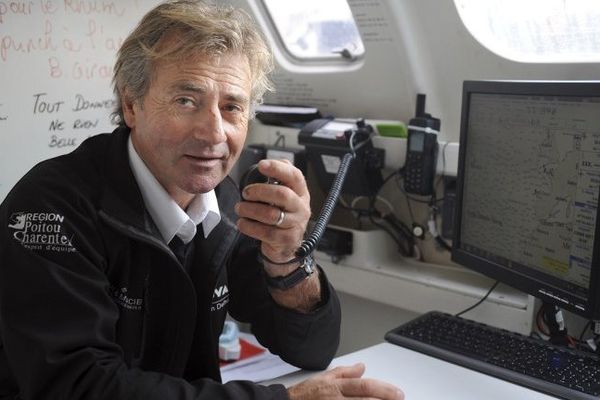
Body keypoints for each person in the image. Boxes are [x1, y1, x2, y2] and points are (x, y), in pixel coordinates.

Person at [0, 1, 404, 399]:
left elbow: (311, 348)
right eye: (186, 101)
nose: (214, 133)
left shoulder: (230, 204)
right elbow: (78, 386)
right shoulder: (49, 208)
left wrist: (288, 259)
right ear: (130, 105)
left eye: (232, 107)